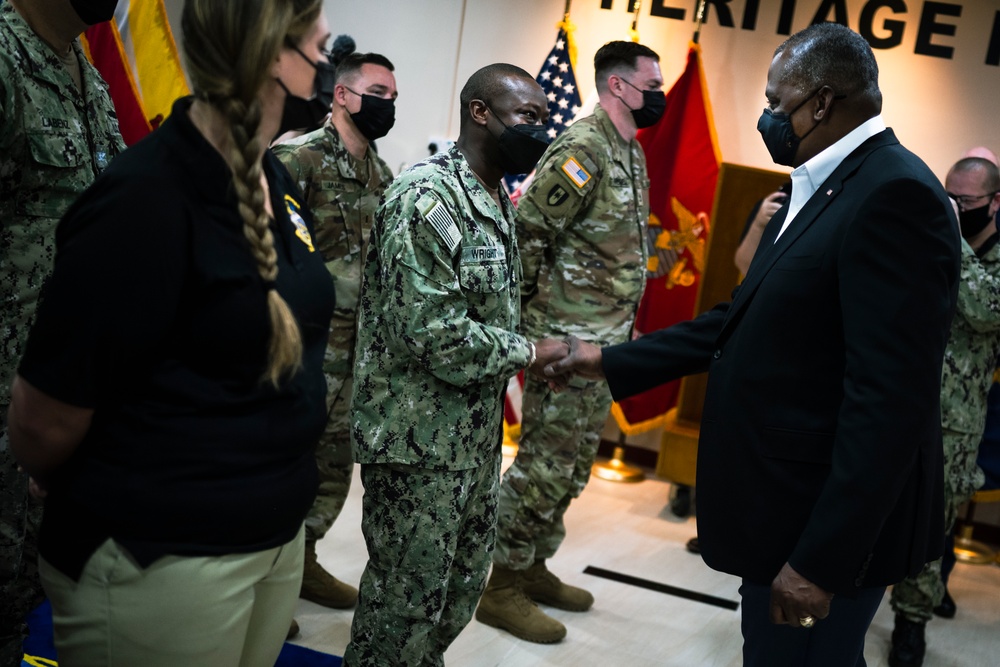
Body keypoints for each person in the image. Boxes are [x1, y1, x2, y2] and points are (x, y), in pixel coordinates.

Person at [545, 23, 960, 666]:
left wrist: (819, 561)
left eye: (774, 102)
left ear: (820, 102)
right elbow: (743, 318)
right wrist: (605, 359)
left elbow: (889, 404)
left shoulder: (896, 196)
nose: (767, 117)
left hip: (820, 531)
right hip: (783, 511)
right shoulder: (820, 182)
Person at [6, 1, 336, 665]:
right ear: (276, 55)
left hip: (266, 537)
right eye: (321, 48)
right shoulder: (146, 197)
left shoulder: (270, 178)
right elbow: (44, 422)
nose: (330, 67)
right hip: (161, 554)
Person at [344, 63, 568, 667]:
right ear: (479, 112)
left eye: (544, 120)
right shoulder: (427, 197)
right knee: (403, 605)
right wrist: (528, 352)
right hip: (416, 445)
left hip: (469, 441)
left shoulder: (495, 201)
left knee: (459, 591)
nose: (539, 131)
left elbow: (488, 314)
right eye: (527, 117)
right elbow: (434, 334)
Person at [474, 40, 664, 644]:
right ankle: (498, 587)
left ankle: (530, 567)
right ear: (617, 87)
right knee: (543, 467)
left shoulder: (628, 150)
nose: (659, 93)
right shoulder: (584, 148)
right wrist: (537, 334)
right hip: (565, 341)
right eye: (651, 83)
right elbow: (528, 232)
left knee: (572, 466)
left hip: (602, 343)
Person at [0, 0, 124, 664]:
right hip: (6, 382)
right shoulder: (4, 57)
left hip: (56, 390)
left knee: (21, 579)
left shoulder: (85, 72)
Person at [273, 49, 398, 611]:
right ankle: (263, 582)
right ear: (342, 95)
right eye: (377, 94)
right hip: (299, 349)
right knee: (281, 461)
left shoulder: (383, 174)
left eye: (393, 98)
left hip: (356, 353)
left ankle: (301, 561)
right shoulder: (296, 159)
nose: (386, 106)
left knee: (332, 465)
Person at [888, 157, 1000, 667]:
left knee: (932, 528)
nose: (954, 208)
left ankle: (912, 623)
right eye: (947, 198)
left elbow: (984, 312)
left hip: (955, 422)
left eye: (966, 201)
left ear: (995, 202)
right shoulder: (929, 239)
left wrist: (951, 235)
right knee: (874, 507)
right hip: (899, 404)